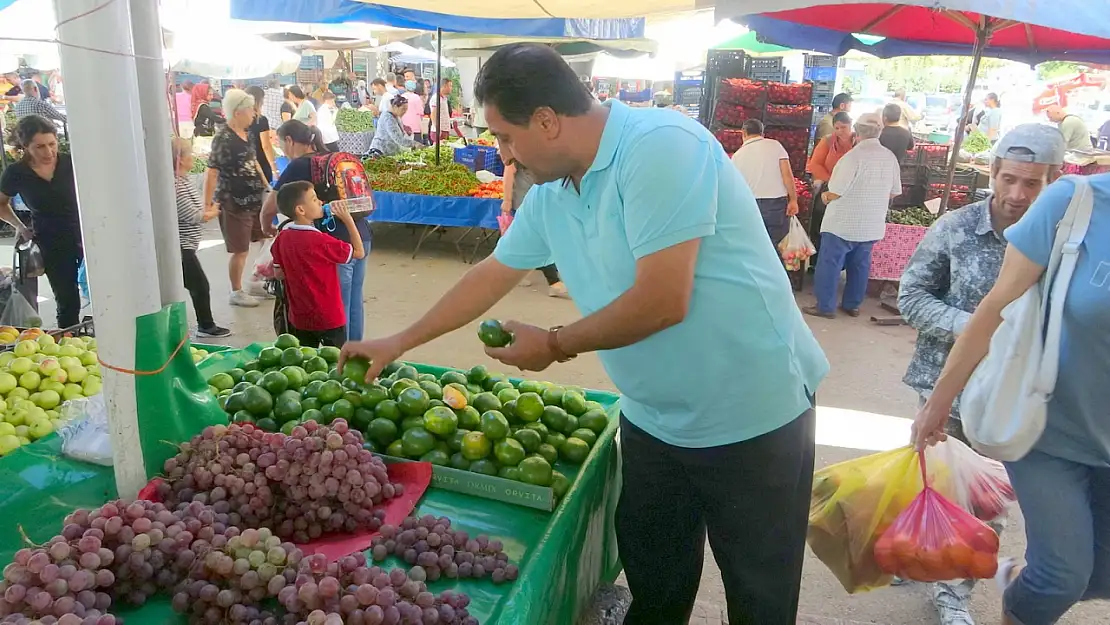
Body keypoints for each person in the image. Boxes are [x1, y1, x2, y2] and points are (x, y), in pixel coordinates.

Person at [339, 43, 828, 625]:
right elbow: (491, 274)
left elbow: (662, 301)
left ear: (546, 120)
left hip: (752, 418)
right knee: (656, 586)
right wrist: (398, 341)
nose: (502, 154)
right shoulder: (554, 194)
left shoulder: (661, 148)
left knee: (760, 598)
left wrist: (554, 343)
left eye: (504, 136)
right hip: (654, 421)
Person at [913, 167, 1110, 625]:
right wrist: (939, 402)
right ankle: (1031, 589)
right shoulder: (1076, 203)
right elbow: (995, 306)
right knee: (1060, 576)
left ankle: (1023, 576)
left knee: (1100, 576)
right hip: (1046, 426)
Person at [898, 124, 1066, 625]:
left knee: (987, 498)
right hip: (942, 384)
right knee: (934, 483)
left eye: (1032, 183)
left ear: (1054, 180)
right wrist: (975, 329)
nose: (1017, 195)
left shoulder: (1062, 242)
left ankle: (955, 593)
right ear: (991, 171)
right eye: (1009, 179)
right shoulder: (955, 226)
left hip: (1015, 396)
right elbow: (911, 296)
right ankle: (913, 554)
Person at [263, 120, 373, 342]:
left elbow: (270, 207)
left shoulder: (298, 166)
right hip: (362, 235)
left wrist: (266, 225)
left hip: (333, 242)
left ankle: (339, 358)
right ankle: (355, 354)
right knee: (354, 302)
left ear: (289, 141)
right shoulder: (335, 156)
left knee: (338, 305)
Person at [804, 113, 901, 319]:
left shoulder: (853, 157)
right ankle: (852, 305)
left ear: (857, 131)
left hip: (843, 223)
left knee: (830, 264)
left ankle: (825, 306)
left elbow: (837, 190)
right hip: (871, 224)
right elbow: (894, 191)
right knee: (860, 265)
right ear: (880, 131)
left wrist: (825, 197)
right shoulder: (889, 157)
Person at [0, 116, 84, 328]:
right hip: (50, 239)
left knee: (105, 291)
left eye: (52, 144)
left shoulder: (71, 163)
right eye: (39, 147)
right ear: (25, 146)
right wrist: (19, 226)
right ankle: (70, 341)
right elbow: (1, 203)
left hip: (87, 234)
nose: (48, 152)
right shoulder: (16, 173)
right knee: (67, 300)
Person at [271, 181, 365, 347]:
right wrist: (348, 220)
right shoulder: (322, 241)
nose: (321, 202)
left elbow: (279, 273)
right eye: (314, 199)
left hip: (299, 316)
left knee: (307, 361)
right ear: (301, 210)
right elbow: (359, 252)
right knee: (336, 362)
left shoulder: (281, 238)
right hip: (329, 316)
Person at [204, 89, 271, 308]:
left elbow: (254, 161)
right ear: (238, 112)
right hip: (234, 201)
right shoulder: (223, 138)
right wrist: (208, 204)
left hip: (254, 198)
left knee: (265, 238)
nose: (254, 114)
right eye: (251, 110)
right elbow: (212, 172)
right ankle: (236, 291)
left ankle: (256, 281)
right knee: (240, 249)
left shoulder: (248, 133)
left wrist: (266, 184)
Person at [171, 137, 230, 338]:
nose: (193, 157)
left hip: (187, 245)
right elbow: (194, 215)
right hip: (180, 246)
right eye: (189, 154)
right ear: (180, 159)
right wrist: (212, 212)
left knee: (195, 284)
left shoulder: (183, 180)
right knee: (199, 285)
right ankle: (206, 325)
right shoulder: (176, 185)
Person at [499, 154, 569, 299]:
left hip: (539, 196)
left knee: (522, 238)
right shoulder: (516, 145)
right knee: (540, 237)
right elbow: (508, 171)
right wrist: (507, 200)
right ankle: (553, 282)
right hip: (525, 198)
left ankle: (513, 272)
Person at [730, 118, 799, 245]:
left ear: (743, 133)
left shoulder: (737, 156)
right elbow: (787, 175)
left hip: (750, 205)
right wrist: (793, 200)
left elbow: (735, 188)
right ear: (762, 133)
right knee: (776, 246)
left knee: (754, 245)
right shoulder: (775, 146)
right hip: (776, 205)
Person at [807, 112, 857, 248]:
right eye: (837, 128)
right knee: (819, 215)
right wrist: (830, 180)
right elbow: (815, 164)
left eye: (844, 127)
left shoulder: (858, 142)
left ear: (850, 126)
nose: (840, 131)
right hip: (829, 186)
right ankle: (816, 256)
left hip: (853, 189)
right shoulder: (828, 141)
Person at [245, 86, 278, 184]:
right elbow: (266, 146)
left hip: (244, 162)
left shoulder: (239, 119)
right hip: (260, 161)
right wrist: (274, 168)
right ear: (259, 100)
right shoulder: (261, 120)